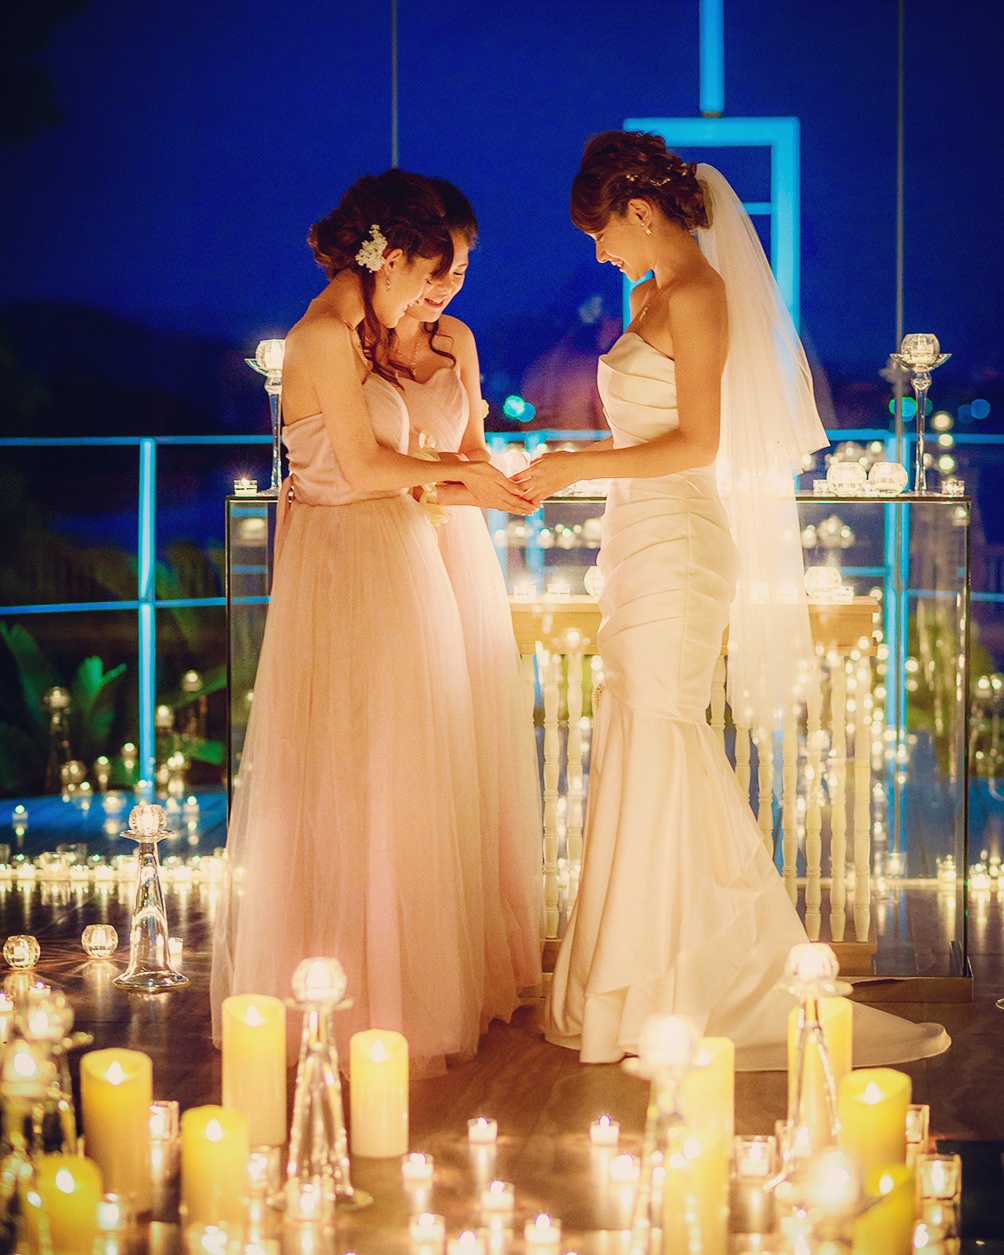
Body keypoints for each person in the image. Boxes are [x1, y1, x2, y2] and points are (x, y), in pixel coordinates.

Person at [515, 131, 949, 1069]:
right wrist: (570, 469)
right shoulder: (648, 296)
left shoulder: (700, 295)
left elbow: (697, 444)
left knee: (663, 731)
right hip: (636, 538)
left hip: (680, 541)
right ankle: (643, 974)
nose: (600, 252)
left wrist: (575, 465)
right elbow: (647, 428)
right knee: (638, 732)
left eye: (601, 232)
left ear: (640, 211)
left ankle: (686, 979)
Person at [211, 169, 535, 1073]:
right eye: (428, 274)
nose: (433, 296)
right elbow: (355, 469)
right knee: (353, 771)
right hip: (348, 560)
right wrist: (463, 478)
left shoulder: (373, 334)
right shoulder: (321, 338)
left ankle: (410, 977)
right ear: (388, 260)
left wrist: (481, 479)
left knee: (408, 769)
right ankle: (355, 986)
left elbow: (412, 459)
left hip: (399, 548)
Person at [392, 178, 543, 997]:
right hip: (390, 547)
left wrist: (500, 479)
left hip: (456, 547)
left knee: (466, 735)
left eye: (461, 269)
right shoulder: (361, 338)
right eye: (437, 268)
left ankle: (470, 951)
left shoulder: (458, 341)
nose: (447, 285)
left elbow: (474, 446)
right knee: (408, 739)